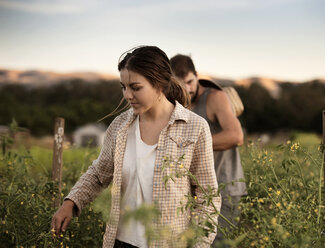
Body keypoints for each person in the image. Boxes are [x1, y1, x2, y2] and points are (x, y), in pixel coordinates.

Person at [51, 46, 221, 248]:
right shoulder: (120, 127)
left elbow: (207, 197)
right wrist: (70, 202)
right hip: (120, 242)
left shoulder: (195, 127)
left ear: (160, 84)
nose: (127, 95)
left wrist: (199, 244)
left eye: (135, 87)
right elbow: (99, 174)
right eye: (123, 87)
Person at [170, 54, 247, 246]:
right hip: (195, 193)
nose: (187, 89)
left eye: (190, 81)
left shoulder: (215, 98)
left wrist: (191, 143)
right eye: (181, 84)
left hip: (224, 187)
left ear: (196, 76)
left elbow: (236, 136)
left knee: (219, 244)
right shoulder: (176, 104)